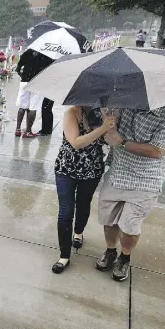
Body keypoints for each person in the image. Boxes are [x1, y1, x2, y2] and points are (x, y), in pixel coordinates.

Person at [96, 104, 165, 281]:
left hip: (147, 178)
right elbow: (107, 134)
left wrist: (121, 141)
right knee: (108, 219)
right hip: (118, 172)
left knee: (130, 225)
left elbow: (157, 151)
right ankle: (110, 251)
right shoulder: (126, 102)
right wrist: (107, 121)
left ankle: (125, 257)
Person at [52, 106, 112, 274]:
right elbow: (76, 142)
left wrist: (109, 130)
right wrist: (102, 129)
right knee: (65, 211)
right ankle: (64, 256)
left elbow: (109, 141)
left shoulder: (103, 114)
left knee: (83, 204)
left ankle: (78, 233)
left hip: (92, 169)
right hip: (66, 168)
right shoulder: (71, 113)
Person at [15, 49, 53, 138]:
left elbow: (19, 66)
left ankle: (18, 129)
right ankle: (28, 132)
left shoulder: (29, 51)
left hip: (24, 81)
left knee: (22, 106)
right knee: (33, 108)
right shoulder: (47, 54)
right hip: (37, 82)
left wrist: (22, 75)